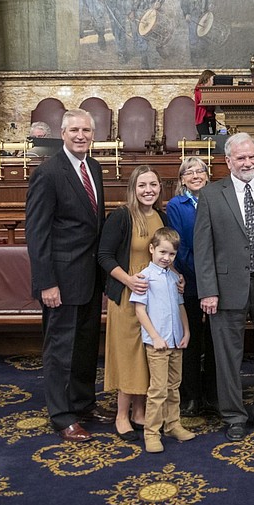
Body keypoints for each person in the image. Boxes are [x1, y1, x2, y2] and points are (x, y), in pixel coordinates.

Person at [194, 133, 254, 442]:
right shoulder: (210, 194)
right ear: (228, 161)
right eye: (241, 158)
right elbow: (203, 246)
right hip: (225, 287)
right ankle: (234, 416)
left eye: (252, 157)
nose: (248, 163)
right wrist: (207, 289)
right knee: (227, 356)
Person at [26, 109, 113, 442]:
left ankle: (82, 402)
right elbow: (37, 234)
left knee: (86, 346)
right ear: (62, 134)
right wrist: (46, 282)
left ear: (93, 134)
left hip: (89, 277)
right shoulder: (48, 173)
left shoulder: (94, 167)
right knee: (61, 349)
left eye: (86, 130)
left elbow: (94, 225)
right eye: (74, 130)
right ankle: (62, 416)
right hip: (60, 281)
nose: (81, 135)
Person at [98, 165, 168, 441]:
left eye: (153, 185)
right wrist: (127, 280)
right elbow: (104, 256)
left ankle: (140, 411)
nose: (148, 190)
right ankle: (121, 414)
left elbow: (165, 254)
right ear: (133, 189)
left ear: (160, 188)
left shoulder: (161, 217)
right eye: (142, 185)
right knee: (128, 354)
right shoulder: (122, 217)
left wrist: (176, 277)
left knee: (146, 353)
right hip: (128, 295)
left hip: (155, 297)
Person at [130, 227, 196, 453]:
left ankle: (173, 424)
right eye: (162, 252)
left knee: (173, 387)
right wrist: (155, 337)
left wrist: (186, 332)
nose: (166, 258)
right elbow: (140, 311)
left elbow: (180, 306)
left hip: (176, 340)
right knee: (157, 390)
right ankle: (151, 433)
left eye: (171, 254)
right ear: (152, 249)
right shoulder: (144, 277)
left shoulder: (176, 278)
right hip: (158, 344)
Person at [166, 157, 216, 418]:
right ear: (182, 178)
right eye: (189, 172)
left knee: (215, 343)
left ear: (207, 175)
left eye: (200, 171)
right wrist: (201, 274)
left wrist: (214, 277)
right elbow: (179, 245)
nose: (196, 175)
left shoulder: (217, 198)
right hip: (190, 281)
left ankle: (214, 396)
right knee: (191, 341)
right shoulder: (177, 205)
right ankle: (191, 397)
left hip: (217, 283)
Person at [130, 0, 166, 69]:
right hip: (140, 11)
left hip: (152, 10)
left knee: (157, 32)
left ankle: (159, 48)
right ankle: (144, 60)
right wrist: (131, 10)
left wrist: (158, 3)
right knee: (142, 34)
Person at [180, 0, 216, 65]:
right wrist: (186, 13)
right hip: (193, 15)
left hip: (204, 13)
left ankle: (205, 57)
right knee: (193, 36)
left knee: (205, 34)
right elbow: (183, 2)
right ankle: (194, 60)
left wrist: (211, 4)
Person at [194, 69, 216, 136]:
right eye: (212, 79)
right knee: (206, 141)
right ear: (207, 79)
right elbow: (203, 100)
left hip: (211, 118)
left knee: (212, 140)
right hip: (202, 120)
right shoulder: (199, 89)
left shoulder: (210, 90)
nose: (213, 82)